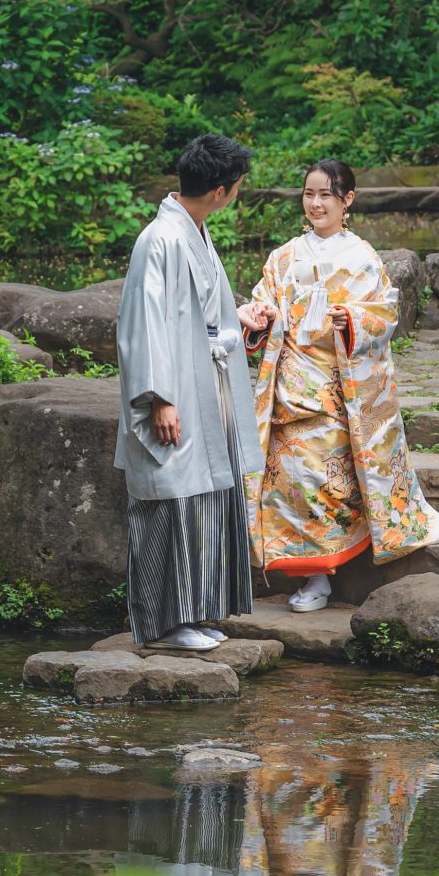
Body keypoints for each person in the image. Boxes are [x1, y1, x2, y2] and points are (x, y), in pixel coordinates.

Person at [237, 157, 439, 614]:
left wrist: (351, 320)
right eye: (309, 194)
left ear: (347, 200)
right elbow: (262, 301)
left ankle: (324, 574)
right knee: (289, 482)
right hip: (289, 385)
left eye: (325, 195)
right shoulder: (285, 256)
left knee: (327, 482)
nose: (315, 204)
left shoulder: (363, 258)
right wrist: (260, 316)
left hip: (337, 387)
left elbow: (385, 313)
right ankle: (306, 571)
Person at [114, 131, 259, 652]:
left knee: (202, 498)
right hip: (174, 390)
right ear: (221, 190)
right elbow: (144, 325)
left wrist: (235, 318)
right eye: (237, 185)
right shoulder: (161, 239)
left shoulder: (191, 228)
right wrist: (159, 398)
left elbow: (194, 311)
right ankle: (164, 625)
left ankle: (193, 612)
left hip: (204, 379)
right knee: (171, 498)